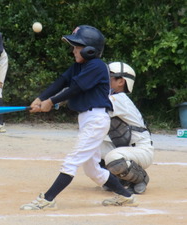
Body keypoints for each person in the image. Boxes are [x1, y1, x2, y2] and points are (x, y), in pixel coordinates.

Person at [20, 25, 138, 210]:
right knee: (92, 170)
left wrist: (51, 101)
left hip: (96, 119)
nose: (74, 50)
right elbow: (62, 82)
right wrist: (41, 98)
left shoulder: (97, 66)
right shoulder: (78, 66)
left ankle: (48, 199)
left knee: (71, 160)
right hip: (88, 120)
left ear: (90, 50)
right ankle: (125, 196)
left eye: (77, 46)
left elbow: (75, 89)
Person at [100, 62, 154, 194]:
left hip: (141, 151)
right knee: (90, 150)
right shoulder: (112, 97)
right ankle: (120, 179)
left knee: (113, 158)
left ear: (121, 82)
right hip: (126, 149)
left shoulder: (120, 99)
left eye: (110, 76)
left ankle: (140, 178)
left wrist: (57, 99)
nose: (103, 79)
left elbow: (91, 102)